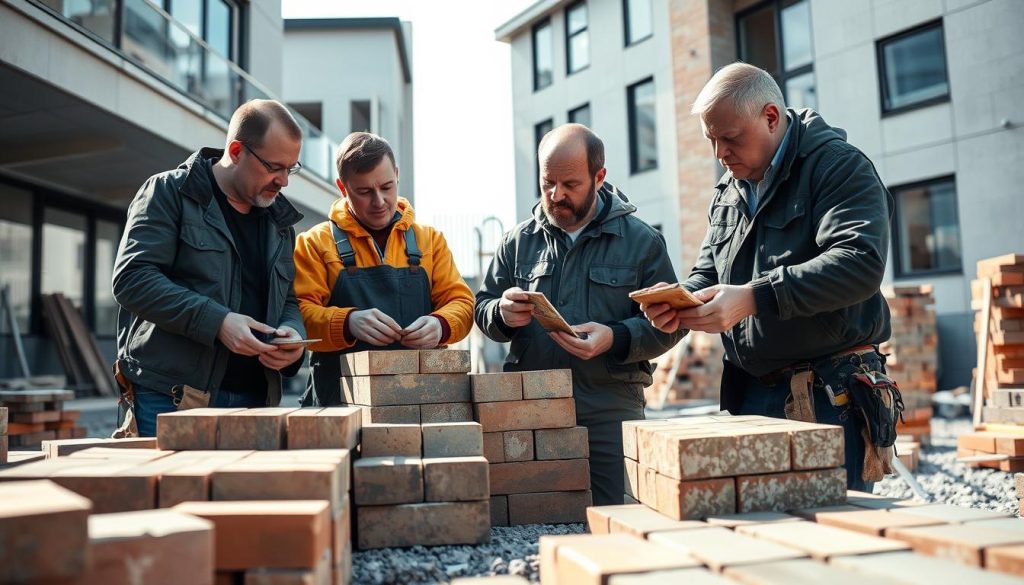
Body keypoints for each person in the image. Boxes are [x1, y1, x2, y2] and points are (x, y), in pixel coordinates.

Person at [640, 63, 898, 490]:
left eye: (730, 138)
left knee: (835, 537)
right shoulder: (729, 188)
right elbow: (710, 269)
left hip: (828, 395)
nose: (719, 153)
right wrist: (682, 299)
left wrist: (753, 298)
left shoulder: (837, 167)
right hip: (751, 392)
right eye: (711, 140)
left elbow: (860, 262)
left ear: (771, 117)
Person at [475, 123, 683, 505]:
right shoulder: (516, 242)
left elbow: (671, 324)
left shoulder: (642, 243)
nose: (556, 196)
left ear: (599, 176)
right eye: (547, 183)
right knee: (535, 518)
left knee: (615, 517)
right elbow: (483, 306)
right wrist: (500, 313)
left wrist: (615, 337)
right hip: (530, 406)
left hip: (610, 408)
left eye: (570, 184)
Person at [112, 99, 308, 436]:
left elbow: (287, 299)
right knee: (172, 490)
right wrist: (217, 322)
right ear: (235, 151)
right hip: (174, 397)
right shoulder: (168, 192)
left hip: (256, 400)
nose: (284, 181)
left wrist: (294, 340)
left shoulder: (280, 224)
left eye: (291, 168)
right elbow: (133, 279)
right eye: (275, 167)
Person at [293, 132, 474, 406]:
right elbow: (298, 315)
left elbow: (462, 303)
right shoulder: (315, 244)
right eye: (364, 192)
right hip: (338, 406)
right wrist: (348, 323)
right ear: (343, 188)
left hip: (421, 401)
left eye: (387, 187)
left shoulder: (430, 241)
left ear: (397, 175)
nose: (379, 201)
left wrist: (441, 324)